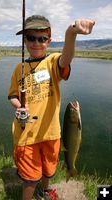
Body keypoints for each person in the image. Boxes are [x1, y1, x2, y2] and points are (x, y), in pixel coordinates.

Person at [8, 15, 95, 200]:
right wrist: (19, 106)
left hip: (52, 134)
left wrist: (71, 34)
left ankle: (45, 191)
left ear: (49, 40)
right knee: (30, 179)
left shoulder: (52, 62)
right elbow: (13, 95)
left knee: (48, 170)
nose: (36, 43)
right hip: (26, 135)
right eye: (31, 38)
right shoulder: (18, 69)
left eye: (42, 38)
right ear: (25, 40)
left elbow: (66, 58)